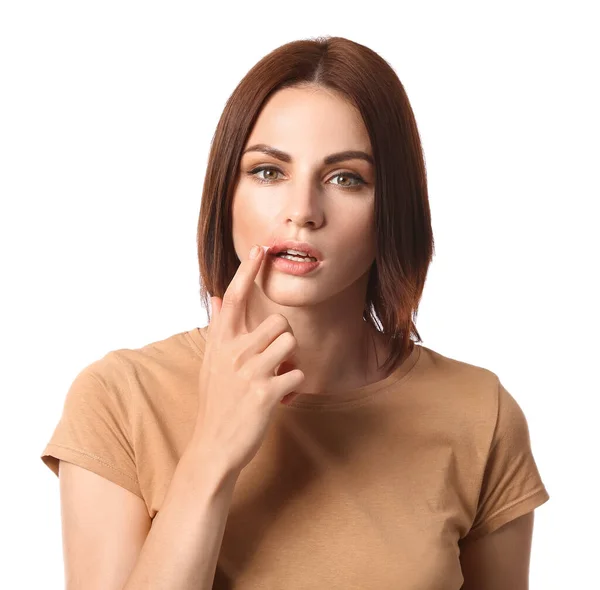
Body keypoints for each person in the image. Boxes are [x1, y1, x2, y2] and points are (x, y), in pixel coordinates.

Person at [40, 35, 550, 589]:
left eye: (345, 178)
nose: (302, 212)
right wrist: (214, 452)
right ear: (226, 193)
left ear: (392, 208)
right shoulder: (119, 399)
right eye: (267, 172)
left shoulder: (479, 414)